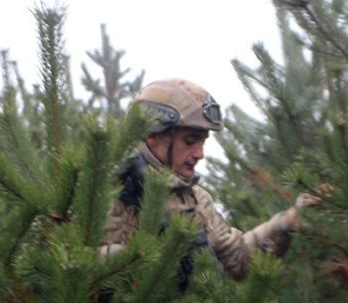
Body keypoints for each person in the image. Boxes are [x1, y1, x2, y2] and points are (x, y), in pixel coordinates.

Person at [98, 78, 317, 280]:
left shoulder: (197, 201)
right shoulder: (98, 188)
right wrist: (130, 259)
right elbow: (69, 259)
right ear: (151, 133)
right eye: (190, 140)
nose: (199, 154)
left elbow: (237, 258)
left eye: (203, 142)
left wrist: (286, 222)